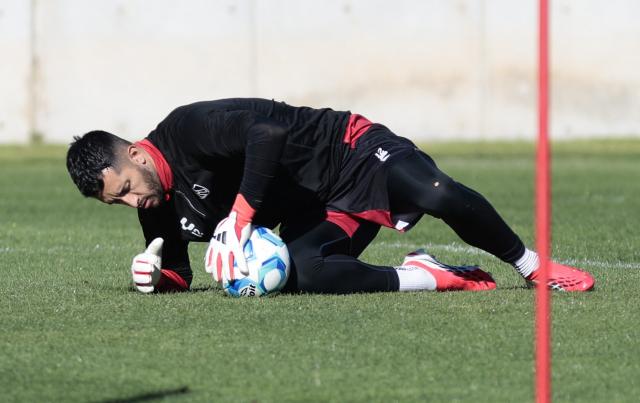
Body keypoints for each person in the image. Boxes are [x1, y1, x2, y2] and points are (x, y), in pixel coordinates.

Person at [66, 98, 594, 294]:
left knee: (436, 193)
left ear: (136, 155)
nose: (134, 205)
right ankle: (430, 276)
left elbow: (266, 135)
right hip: (322, 209)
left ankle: (531, 265)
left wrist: (241, 215)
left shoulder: (189, 128)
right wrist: (157, 278)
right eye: (118, 204)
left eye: (127, 191)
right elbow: (179, 270)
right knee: (308, 273)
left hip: (351, 151)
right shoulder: (155, 202)